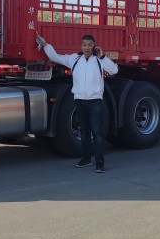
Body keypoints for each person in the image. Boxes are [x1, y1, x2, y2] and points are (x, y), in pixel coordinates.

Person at [35, 33, 118, 173]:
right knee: (84, 132)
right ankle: (86, 159)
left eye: (90, 45)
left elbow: (114, 70)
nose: (87, 48)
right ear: (81, 46)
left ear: (94, 46)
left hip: (95, 101)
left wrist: (102, 56)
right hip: (79, 100)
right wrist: (45, 45)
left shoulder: (99, 60)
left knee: (97, 133)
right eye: (84, 45)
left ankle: (99, 163)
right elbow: (56, 57)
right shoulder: (75, 59)